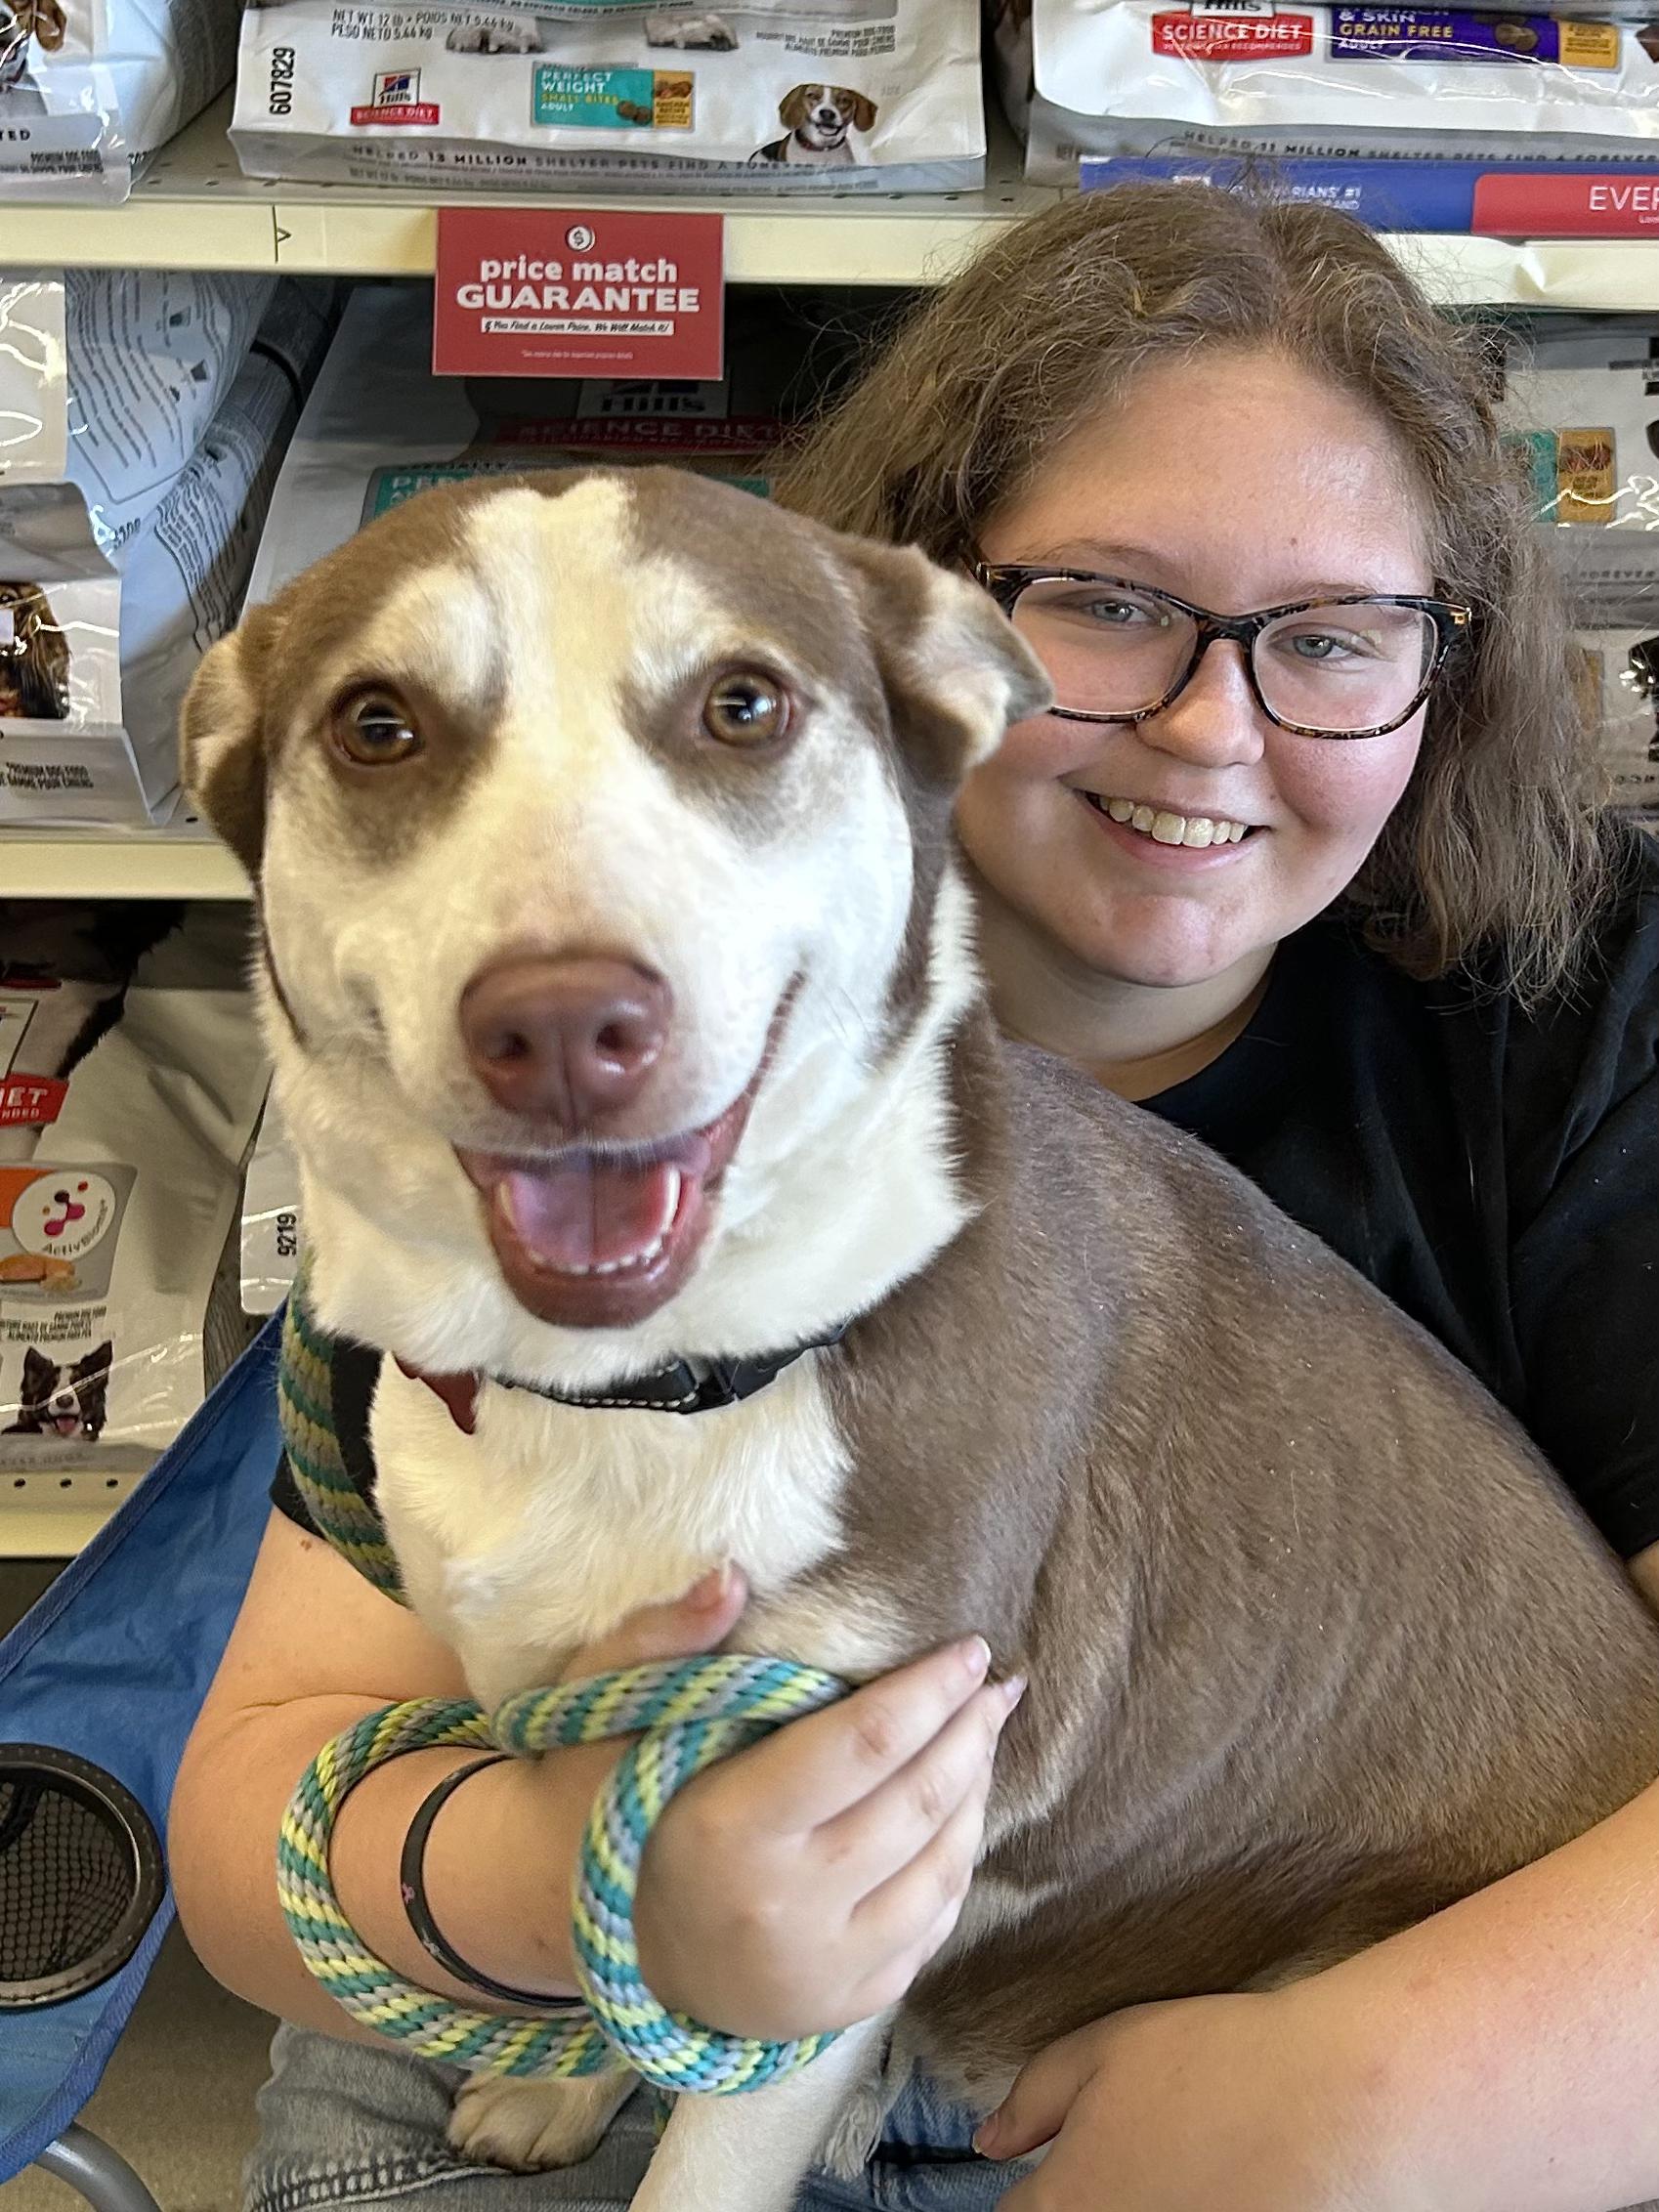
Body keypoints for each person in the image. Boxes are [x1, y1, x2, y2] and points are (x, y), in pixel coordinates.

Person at [169, 183, 1659, 2212]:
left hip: (1414, 2002)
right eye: (1109, 603)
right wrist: (604, 1892)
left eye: (1330, 637)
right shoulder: (487, 1131)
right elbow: (257, 1816)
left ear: (1445, 669)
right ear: (920, 628)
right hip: (565, 1955)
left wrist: (1362, 2088)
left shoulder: (1578, 1002)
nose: (1210, 724)